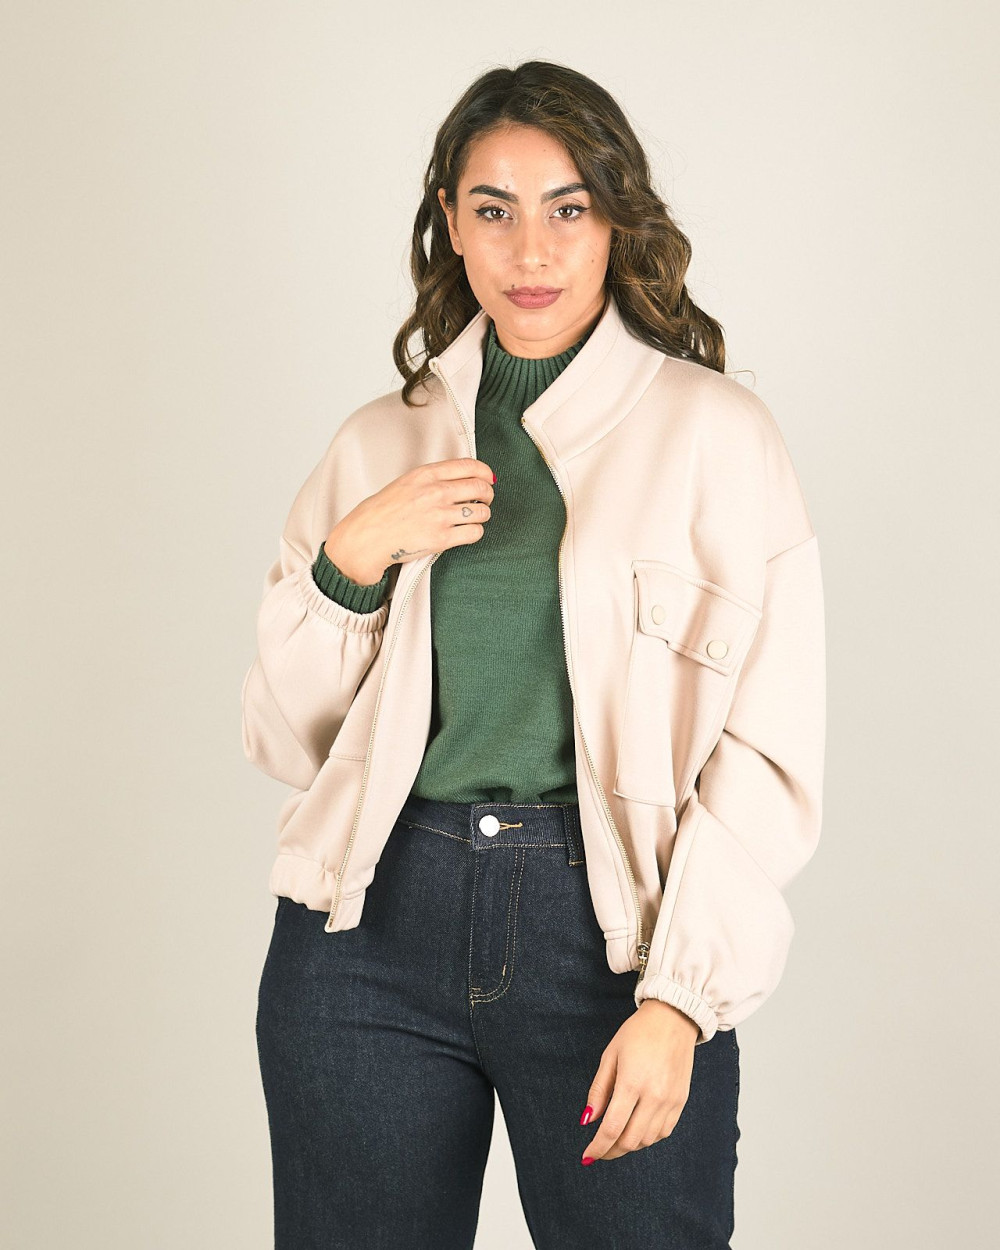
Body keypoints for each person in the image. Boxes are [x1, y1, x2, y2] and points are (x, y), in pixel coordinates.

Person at [245, 59, 826, 1250]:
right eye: (493, 209)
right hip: (368, 938)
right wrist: (352, 558)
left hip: (611, 941)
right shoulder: (377, 442)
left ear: (616, 220)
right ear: (450, 223)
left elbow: (766, 757)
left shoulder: (718, 437)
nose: (532, 250)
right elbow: (285, 738)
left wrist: (680, 998)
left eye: (568, 207)